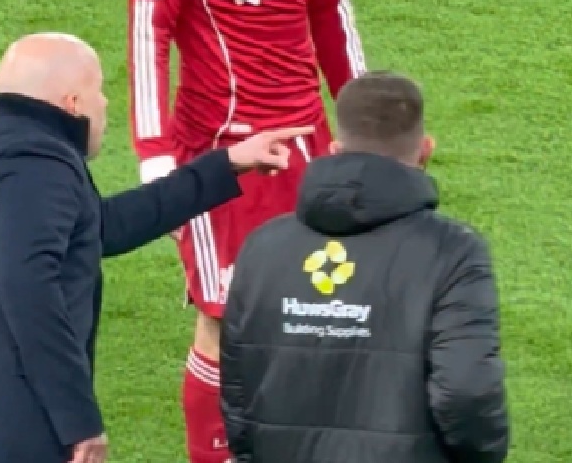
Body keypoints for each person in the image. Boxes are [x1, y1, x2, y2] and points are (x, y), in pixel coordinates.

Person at [0, 33, 311, 463]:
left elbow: (101, 227)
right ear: (72, 103)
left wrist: (229, 163)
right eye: (99, 91)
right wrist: (77, 417)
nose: (105, 105)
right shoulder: (41, 167)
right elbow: (27, 285)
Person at [125, 0, 367, 462]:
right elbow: (148, 29)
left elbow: (328, 3)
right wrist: (154, 152)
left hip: (307, 142)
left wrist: (361, 115)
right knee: (224, 315)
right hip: (221, 151)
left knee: (321, 300)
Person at [219, 71, 511, 462]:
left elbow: (237, 391)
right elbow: (466, 389)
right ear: (425, 150)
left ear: (336, 150)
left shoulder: (263, 247)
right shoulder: (453, 252)